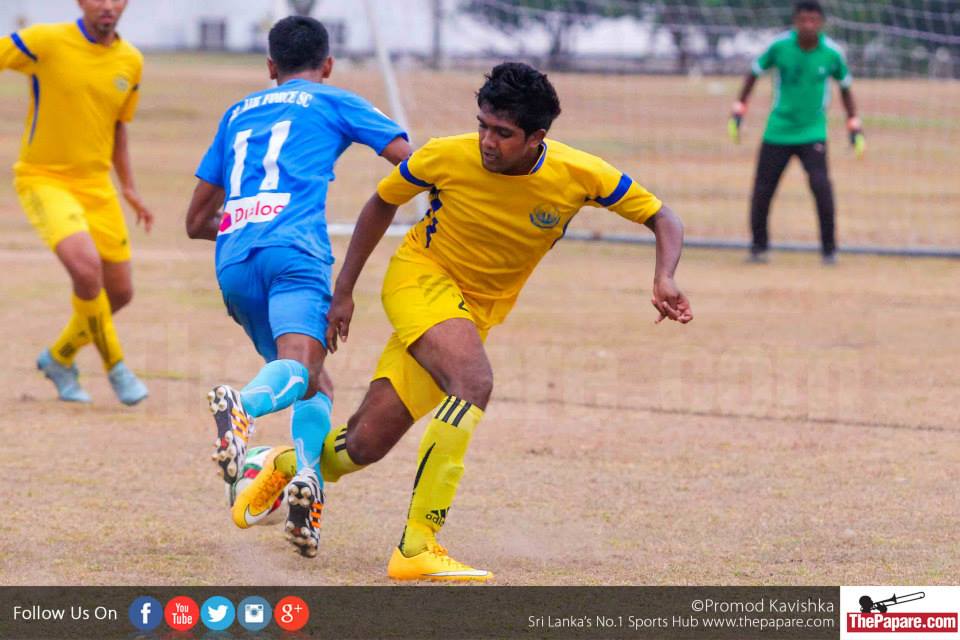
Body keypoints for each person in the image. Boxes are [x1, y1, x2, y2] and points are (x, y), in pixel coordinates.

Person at [318, 62, 693, 581]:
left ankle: (279, 467)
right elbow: (381, 202)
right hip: (420, 279)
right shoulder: (445, 155)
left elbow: (662, 216)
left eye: (502, 133)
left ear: (537, 138)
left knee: (364, 444)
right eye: (482, 126)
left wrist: (664, 276)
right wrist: (343, 290)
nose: (486, 142)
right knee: (473, 382)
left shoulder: (581, 173)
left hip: (472, 314)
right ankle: (417, 545)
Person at [185, 16, 410, 559]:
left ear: (270, 67)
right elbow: (410, 159)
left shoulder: (237, 112)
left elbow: (195, 222)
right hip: (295, 253)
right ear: (327, 65)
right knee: (300, 367)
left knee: (313, 382)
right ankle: (243, 405)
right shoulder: (334, 99)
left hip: (234, 260)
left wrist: (250, 219)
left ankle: (307, 486)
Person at [1, 0, 152, 404]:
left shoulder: (131, 61)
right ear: (81, 2)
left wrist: (129, 187)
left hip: (97, 186)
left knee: (120, 292)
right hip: (43, 179)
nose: (108, 5)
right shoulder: (44, 41)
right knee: (87, 272)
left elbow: (117, 127)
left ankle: (59, 358)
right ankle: (117, 367)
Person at [729, 0, 865, 265]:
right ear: (795, 22)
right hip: (778, 130)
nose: (808, 25)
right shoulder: (779, 47)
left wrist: (854, 125)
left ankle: (829, 250)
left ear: (821, 23)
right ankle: (759, 248)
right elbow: (753, 73)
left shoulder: (832, 53)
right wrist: (739, 109)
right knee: (763, 189)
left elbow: (846, 88)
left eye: (813, 21)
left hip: (813, 132)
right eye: (803, 20)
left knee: (821, 187)